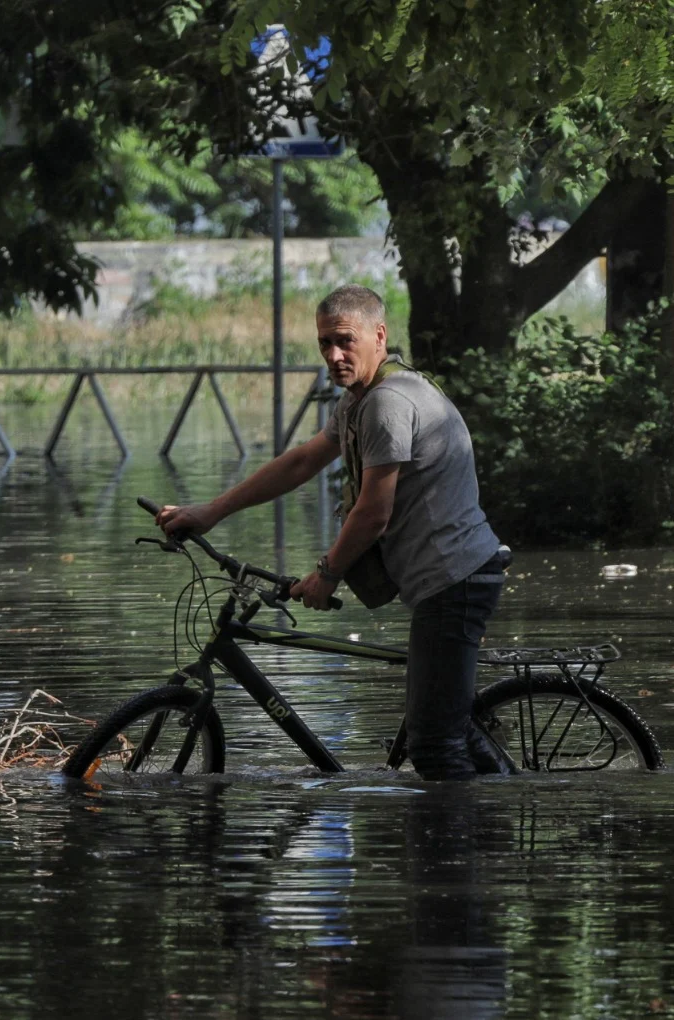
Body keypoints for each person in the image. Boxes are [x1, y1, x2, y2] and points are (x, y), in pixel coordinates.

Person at [154, 284, 509, 780]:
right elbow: (302, 461)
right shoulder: (360, 400)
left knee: (432, 746)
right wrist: (212, 511)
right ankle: (500, 803)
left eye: (345, 341)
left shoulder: (388, 402)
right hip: (446, 579)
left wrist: (326, 574)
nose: (334, 355)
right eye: (325, 343)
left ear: (379, 336)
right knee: (448, 727)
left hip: (455, 580)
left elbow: (373, 512)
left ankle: (478, 829)